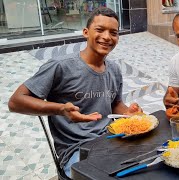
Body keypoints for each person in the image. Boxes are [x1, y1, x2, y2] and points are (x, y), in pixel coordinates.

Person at [8, 7, 142, 178]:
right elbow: (15, 102)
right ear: (86, 32)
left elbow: (115, 104)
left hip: (110, 140)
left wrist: (128, 113)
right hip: (76, 150)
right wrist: (60, 109)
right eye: (100, 30)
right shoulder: (61, 66)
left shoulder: (114, 69)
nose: (107, 37)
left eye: (113, 33)